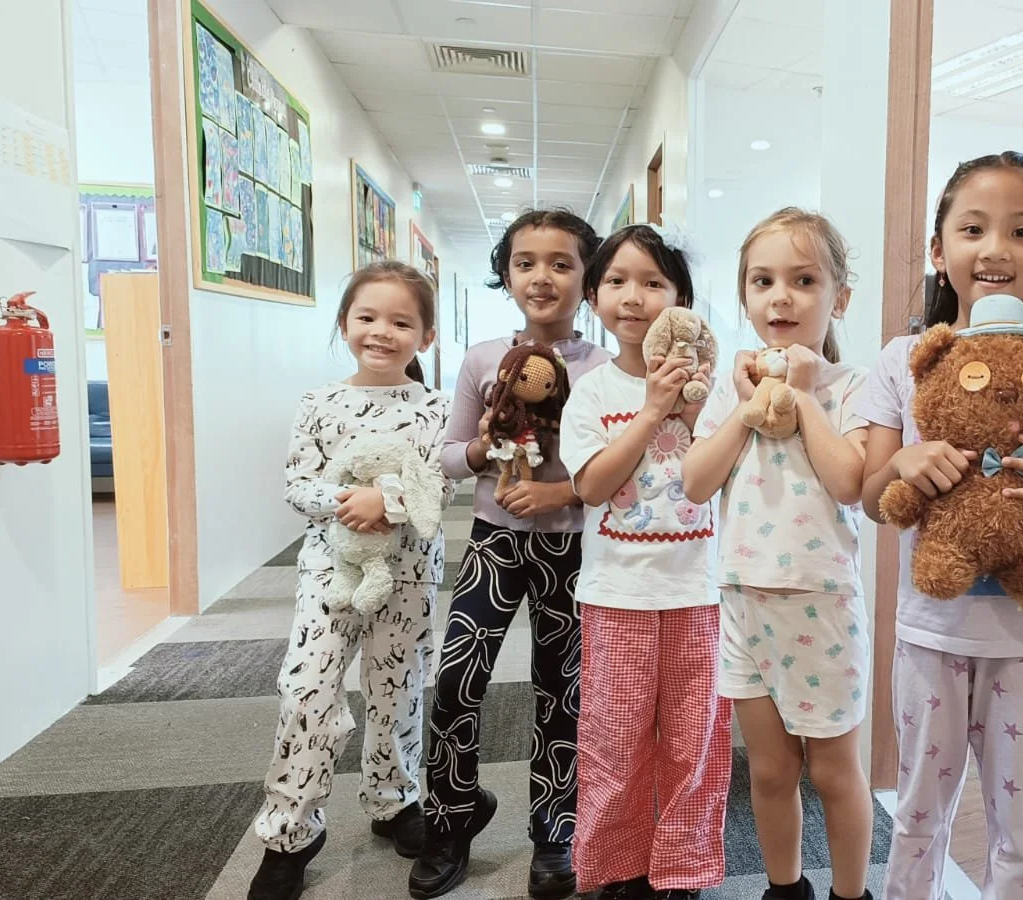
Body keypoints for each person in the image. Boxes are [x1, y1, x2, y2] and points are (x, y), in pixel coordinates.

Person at [857, 152, 1023, 900]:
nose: (996, 249)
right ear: (940, 252)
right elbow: (875, 499)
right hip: (931, 633)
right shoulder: (906, 359)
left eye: (1021, 230)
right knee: (915, 817)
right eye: (973, 229)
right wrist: (906, 463)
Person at [409, 209, 609, 900]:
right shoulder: (481, 358)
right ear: (506, 273)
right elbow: (446, 459)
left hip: (574, 547)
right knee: (457, 679)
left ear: (588, 278)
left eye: (562, 263)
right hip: (494, 541)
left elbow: (619, 477)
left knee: (564, 691)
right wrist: (482, 444)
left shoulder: (605, 368)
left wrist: (562, 496)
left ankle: (555, 831)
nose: (542, 277)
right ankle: (451, 819)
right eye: (526, 263)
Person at [682, 209, 875, 900]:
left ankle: (853, 892)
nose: (780, 297)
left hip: (821, 606)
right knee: (768, 771)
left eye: (803, 279)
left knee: (832, 771)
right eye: (762, 281)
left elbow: (850, 481)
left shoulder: (853, 386)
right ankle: (783, 887)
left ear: (838, 297)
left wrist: (803, 392)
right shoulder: (728, 392)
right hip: (742, 602)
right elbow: (696, 482)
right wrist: (743, 405)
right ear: (745, 296)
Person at [248, 261, 452, 900]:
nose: (382, 332)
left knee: (398, 689)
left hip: (410, 572)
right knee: (307, 690)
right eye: (367, 318)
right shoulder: (318, 403)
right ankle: (291, 833)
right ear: (344, 324)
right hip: (326, 571)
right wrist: (348, 499)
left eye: (401, 322)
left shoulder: (437, 409)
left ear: (427, 335)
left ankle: (394, 799)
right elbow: (296, 482)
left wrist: (387, 502)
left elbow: (440, 483)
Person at [558, 224, 730, 900]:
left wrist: (691, 407)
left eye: (654, 282)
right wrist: (653, 408)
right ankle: (619, 867)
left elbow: (721, 475)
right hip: (616, 596)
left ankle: (683, 870)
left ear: (681, 299)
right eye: (618, 282)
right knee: (615, 741)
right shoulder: (593, 392)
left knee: (696, 744)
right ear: (595, 296)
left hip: (698, 593)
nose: (636, 297)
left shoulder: (715, 391)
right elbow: (592, 486)